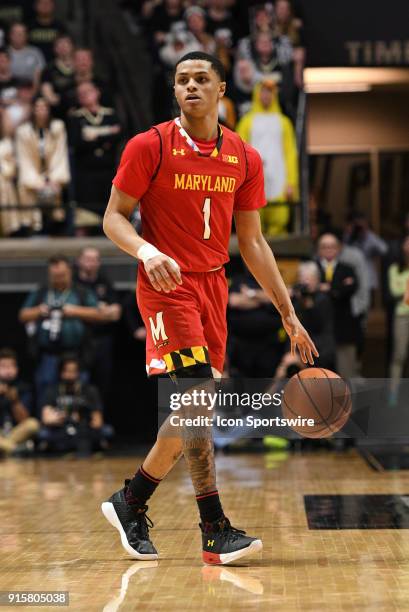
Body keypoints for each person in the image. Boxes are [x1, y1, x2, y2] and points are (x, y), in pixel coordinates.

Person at [102, 51, 317, 565]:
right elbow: (114, 218)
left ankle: (130, 501)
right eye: (182, 80)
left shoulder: (243, 156)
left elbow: (255, 243)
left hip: (213, 286)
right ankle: (214, 529)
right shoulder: (149, 144)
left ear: (222, 89)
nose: (191, 86)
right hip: (165, 283)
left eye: (202, 79)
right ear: (174, 92)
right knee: (197, 400)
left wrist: (288, 313)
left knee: (193, 412)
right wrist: (147, 251)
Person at [19, 254, 104, 411]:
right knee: (45, 391)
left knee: (79, 392)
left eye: (62, 275)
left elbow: (98, 314)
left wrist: (74, 311)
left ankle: (79, 428)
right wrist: (39, 310)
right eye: (54, 275)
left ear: (70, 272)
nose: (58, 278)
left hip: (75, 355)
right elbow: (23, 315)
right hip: (48, 355)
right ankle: (45, 429)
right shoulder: (42, 292)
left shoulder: (80, 292)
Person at [236, 79, 298, 236]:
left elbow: (290, 154)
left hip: (279, 179)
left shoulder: (284, 123)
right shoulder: (246, 122)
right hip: (254, 180)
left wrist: (291, 183)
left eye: (269, 92)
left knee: (280, 222)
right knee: (254, 228)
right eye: (262, 91)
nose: (265, 96)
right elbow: (239, 152)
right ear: (257, 94)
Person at [74, 247, 122, 406]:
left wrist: (89, 313)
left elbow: (116, 313)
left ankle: (99, 420)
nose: (91, 263)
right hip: (80, 342)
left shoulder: (104, 281)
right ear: (79, 261)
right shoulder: (73, 282)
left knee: (103, 381)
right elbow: (69, 310)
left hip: (103, 340)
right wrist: (99, 312)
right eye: (87, 259)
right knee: (80, 381)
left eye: (94, 259)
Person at [15, 95, 70, 234]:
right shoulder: (23, 131)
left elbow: (60, 155)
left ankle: (54, 228)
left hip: (53, 176)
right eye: (38, 107)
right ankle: (32, 228)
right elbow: (24, 160)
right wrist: (38, 182)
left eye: (44, 107)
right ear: (32, 110)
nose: (41, 111)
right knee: (26, 190)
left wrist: (54, 179)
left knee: (55, 199)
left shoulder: (58, 127)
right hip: (32, 177)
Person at [39, 354, 113, 455]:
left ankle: (69, 447)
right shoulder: (52, 390)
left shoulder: (90, 391)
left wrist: (83, 419)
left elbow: (98, 422)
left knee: (107, 431)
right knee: (43, 434)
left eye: (73, 371)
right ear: (60, 372)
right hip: (61, 428)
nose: (70, 375)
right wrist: (64, 418)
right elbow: (46, 419)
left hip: (84, 429)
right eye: (67, 371)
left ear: (79, 372)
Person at [68, 82, 121, 218]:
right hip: (86, 172)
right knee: (87, 213)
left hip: (108, 170)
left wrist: (93, 137)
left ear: (97, 92)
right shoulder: (76, 118)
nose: (86, 95)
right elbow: (77, 142)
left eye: (89, 91)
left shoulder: (110, 114)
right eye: (82, 93)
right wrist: (105, 135)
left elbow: (118, 136)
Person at [315, 233, 360, 378]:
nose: (328, 250)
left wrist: (328, 288)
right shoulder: (312, 267)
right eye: (324, 247)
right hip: (318, 331)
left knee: (346, 373)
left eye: (332, 246)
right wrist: (338, 287)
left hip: (343, 329)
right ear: (318, 249)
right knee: (321, 377)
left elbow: (351, 288)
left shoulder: (348, 268)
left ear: (339, 248)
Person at [291, 261, 336, 370]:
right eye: (303, 278)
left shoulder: (323, 299)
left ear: (317, 280)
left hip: (320, 349)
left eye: (309, 278)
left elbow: (319, 325)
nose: (305, 282)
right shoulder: (297, 300)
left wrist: (309, 305)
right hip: (300, 346)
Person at [0, 348, 39, 456]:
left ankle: (5, 448)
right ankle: (15, 449)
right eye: (3, 366)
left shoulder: (23, 387)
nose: (8, 371)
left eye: (11, 366)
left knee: (33, 424)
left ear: (17, 368)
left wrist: (15, 401)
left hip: (15, 432)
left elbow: (24, 420)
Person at [388, 235, 409, 406]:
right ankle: (393, 393)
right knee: (399, 355)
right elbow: (396, 292)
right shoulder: (395, 269)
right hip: (402, 315)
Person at [8, 22, 46, 86]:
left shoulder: (35, 52)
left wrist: (33, 91)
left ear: (26, 36)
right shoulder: (4, 53)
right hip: (8, 87)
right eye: (15, 33)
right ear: (10, 35)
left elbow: (39, 73)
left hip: (30, 88)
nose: (18, 36)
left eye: (21, 34)